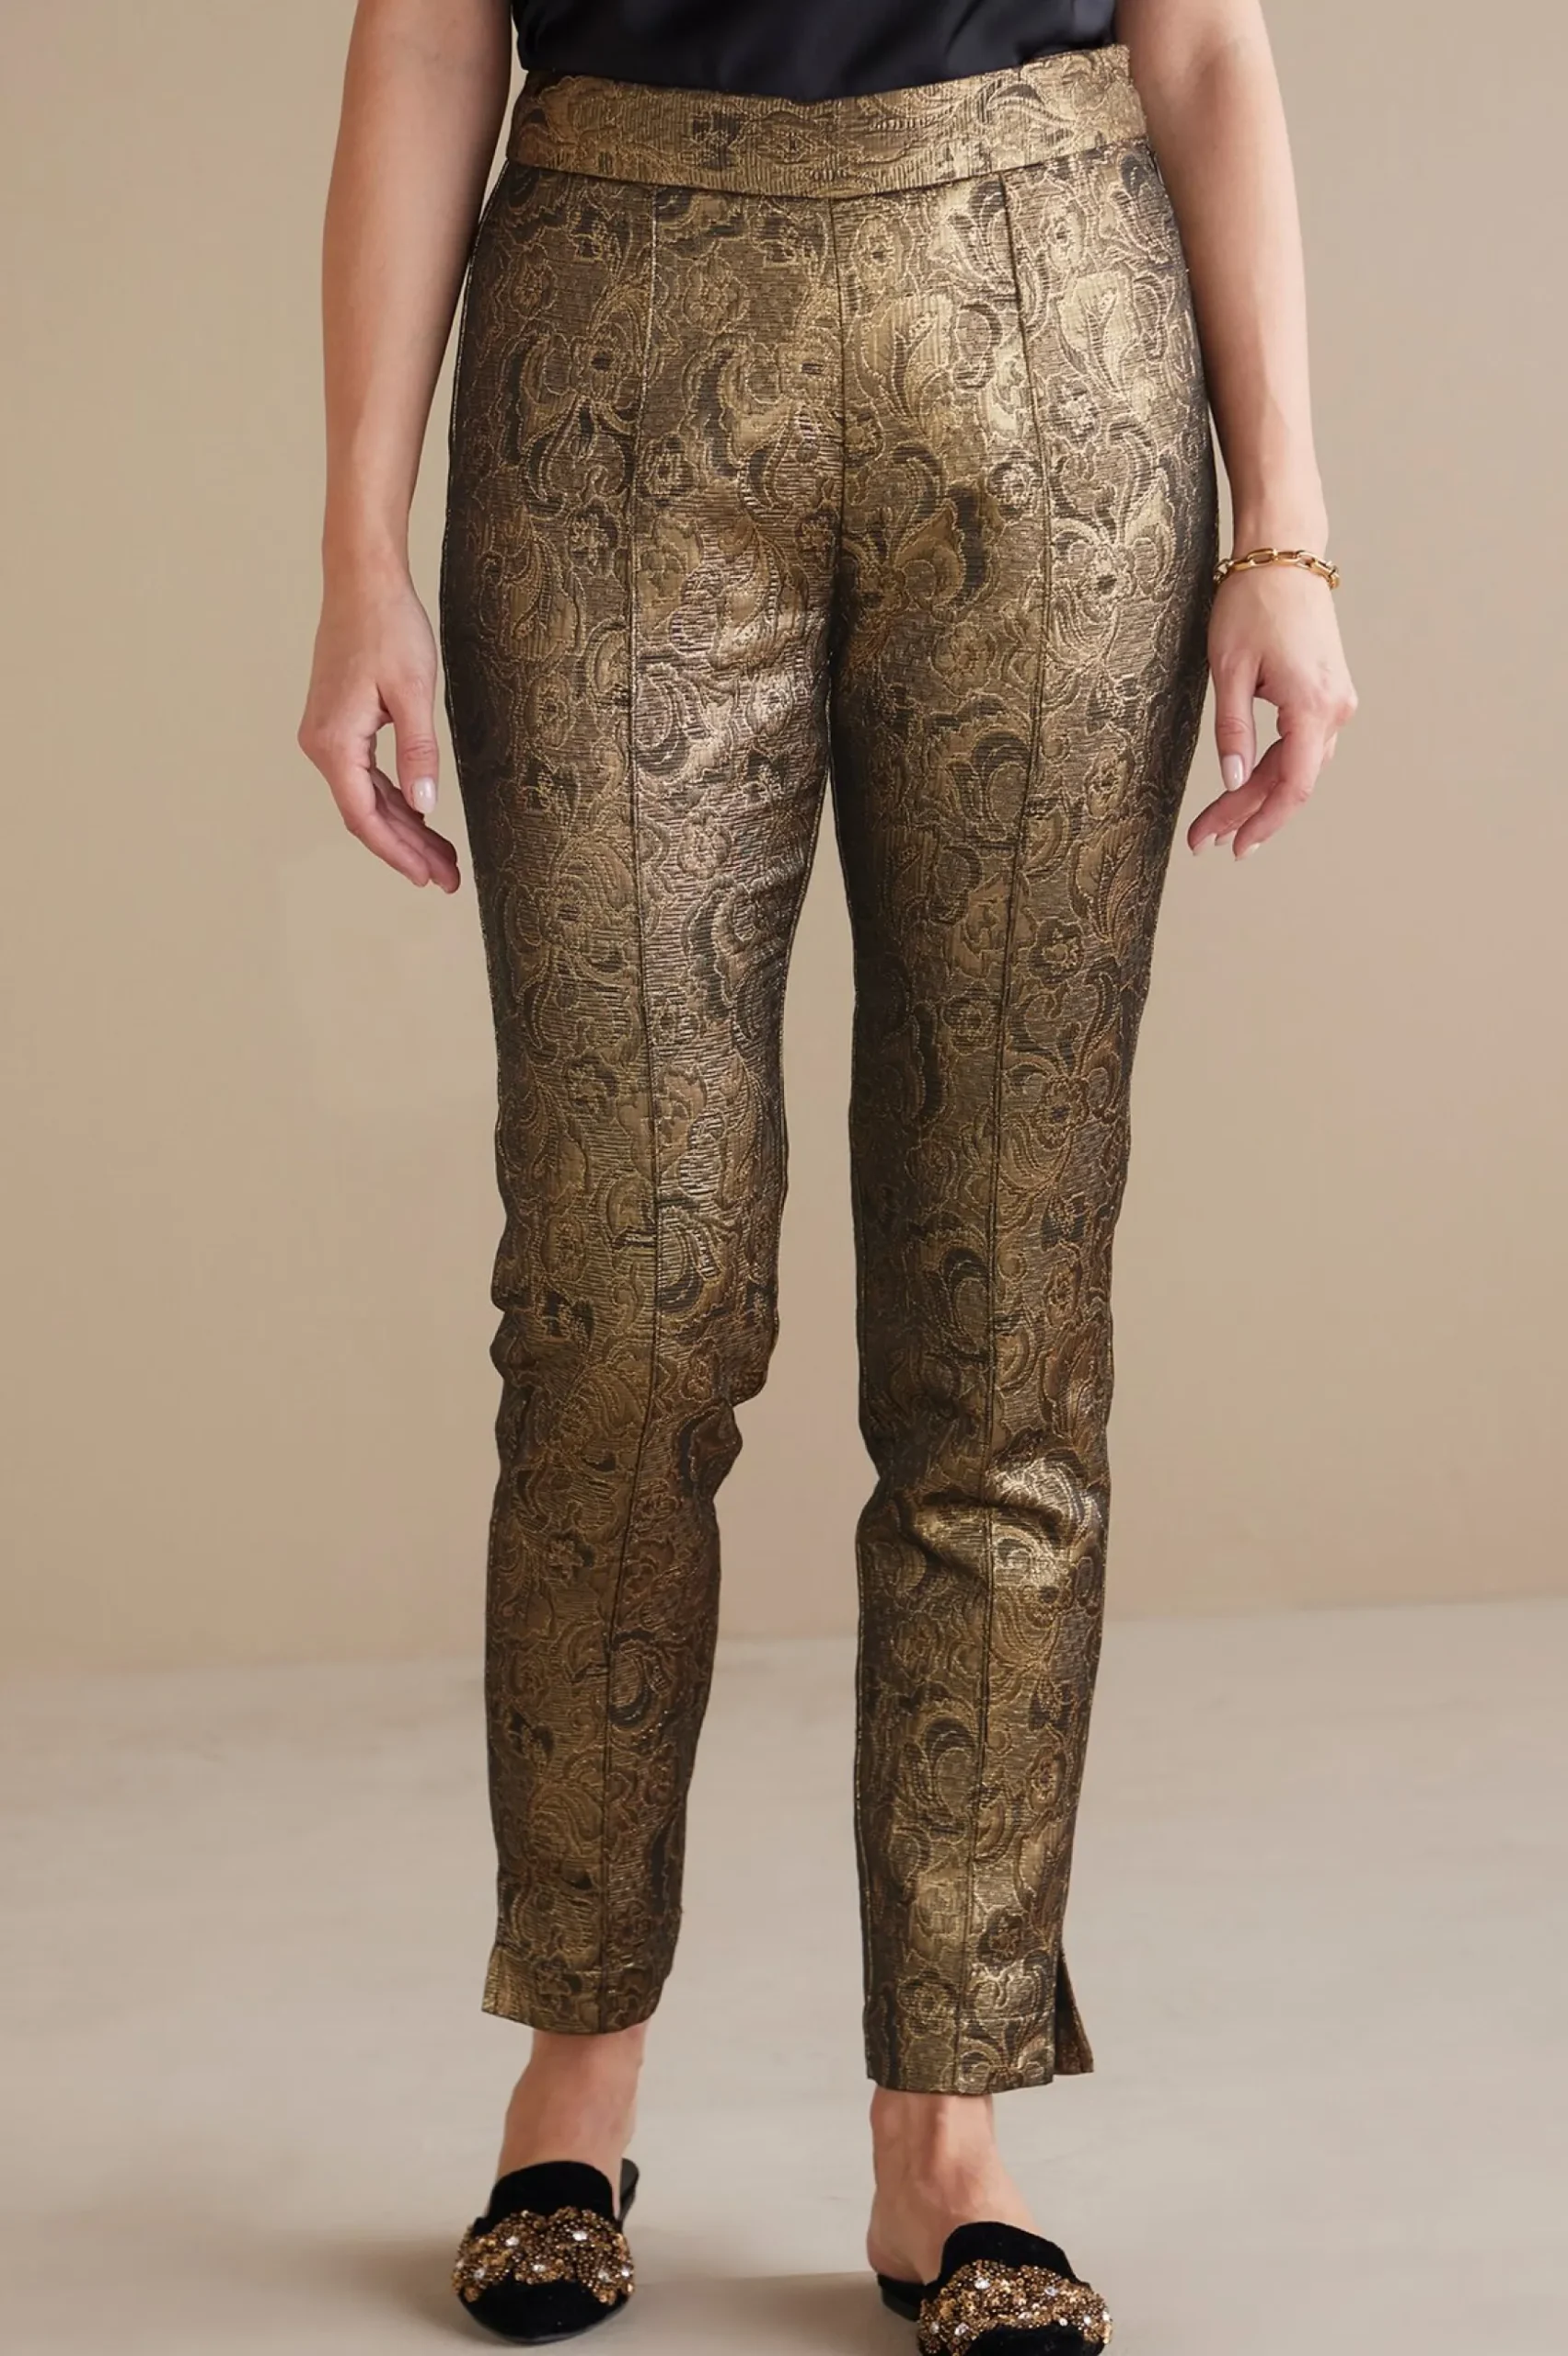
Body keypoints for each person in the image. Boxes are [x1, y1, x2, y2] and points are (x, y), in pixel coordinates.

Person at [297, 2, 1356, 2346]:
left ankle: (947, 2128)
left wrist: (1283, 526)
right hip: (611, 364)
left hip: (1050, 344)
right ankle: (574, 2067)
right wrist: (357, 541)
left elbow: (1200, 38)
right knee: (621, 1296)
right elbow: (427, 31)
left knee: (1005, 1312)